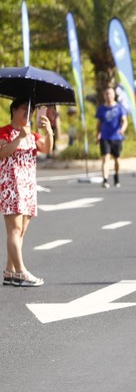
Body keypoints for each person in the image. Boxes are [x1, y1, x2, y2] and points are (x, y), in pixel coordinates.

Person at [1, 98, 54, 287]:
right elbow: (2, 152)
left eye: (30, 110)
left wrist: (49, 132)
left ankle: (10, 271)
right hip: (11, 186)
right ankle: (21, 272)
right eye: (24, 109)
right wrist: (19, 138)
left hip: (28, 186)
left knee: (21, 231)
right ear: (14, 110)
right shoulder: (4, 131)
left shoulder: (32, 135)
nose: (28, 113)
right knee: (14, 230)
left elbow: (46, 149)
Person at [95, 87, 127, 188]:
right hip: (105, 137)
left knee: (117, 159)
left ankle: (116, 177)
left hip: (116, 137)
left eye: (110, 94)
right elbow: (99, 124)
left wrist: (122, 130)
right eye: (106, 94)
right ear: (104, 96)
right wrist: (98, 135)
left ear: (114, 95)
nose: (108, 96)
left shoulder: (119, 108)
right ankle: (105, 179)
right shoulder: (101, 109)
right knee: (105, 158)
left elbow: (125, 121)